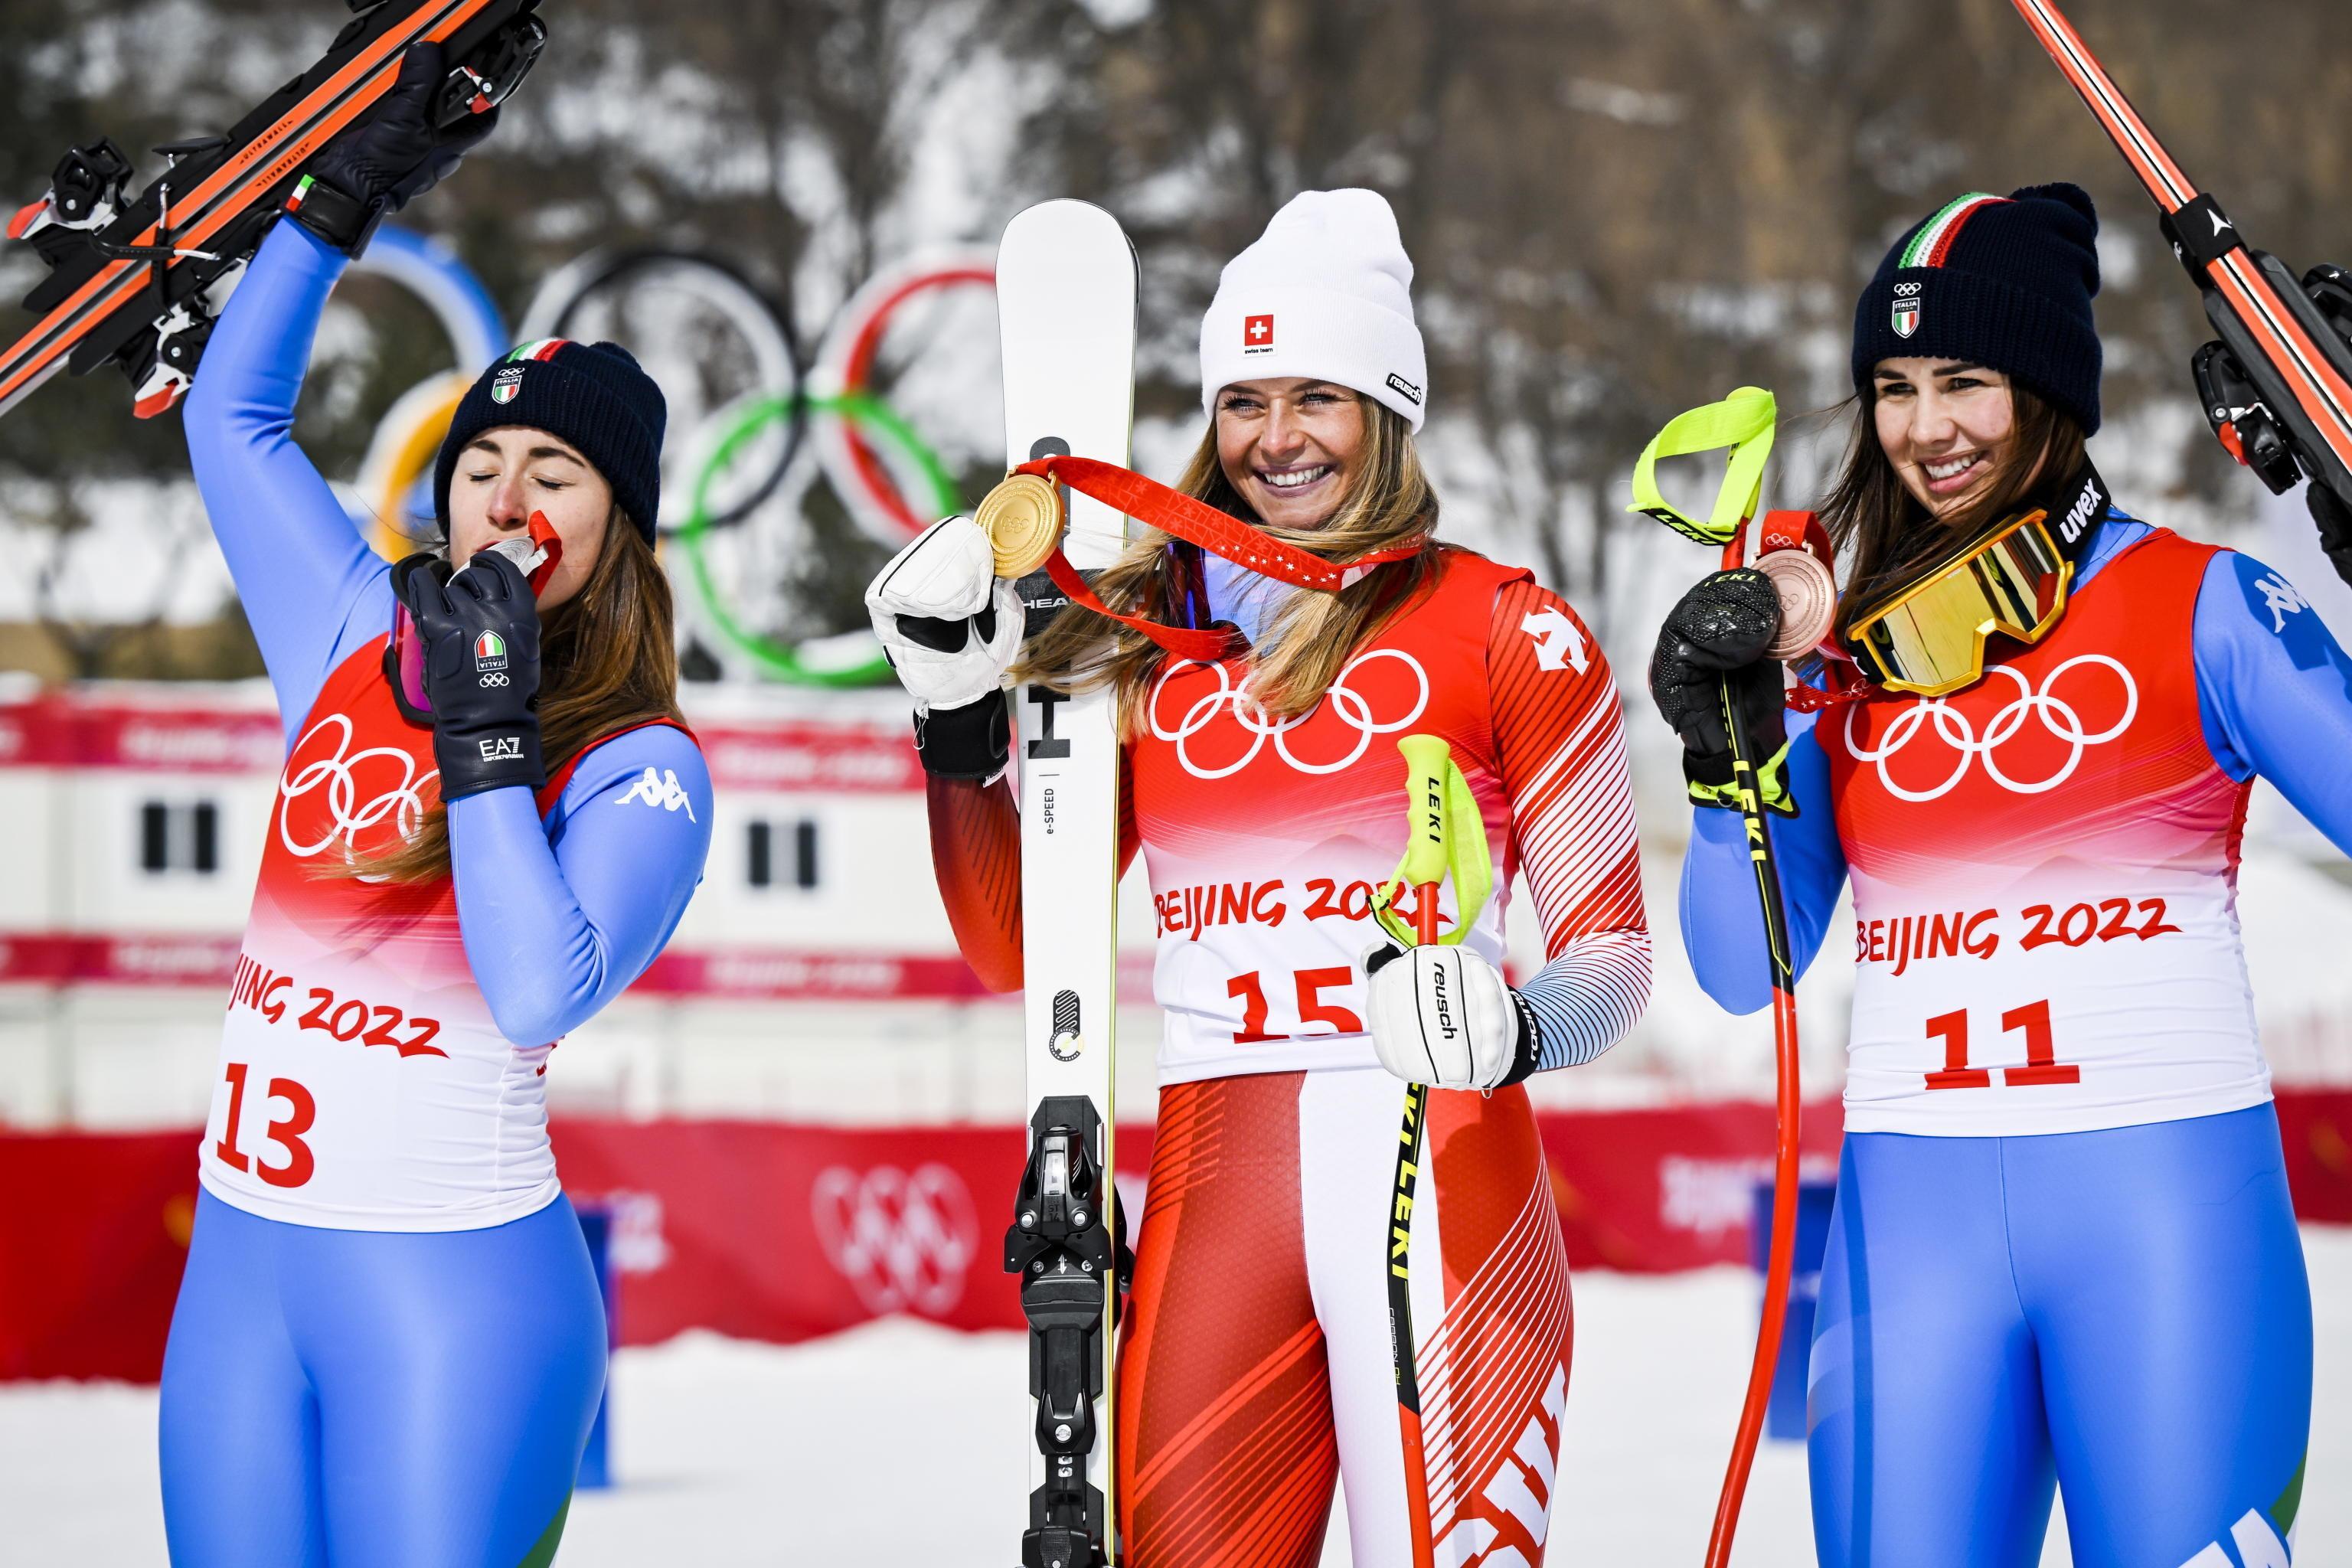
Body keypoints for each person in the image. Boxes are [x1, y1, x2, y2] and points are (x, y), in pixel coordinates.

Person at [870, 189, 1651, 1566]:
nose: (1275, 440)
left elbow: (1612, 963)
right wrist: (950, 728)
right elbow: (1013, 947)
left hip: (1437, 1163)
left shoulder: (1506, 626)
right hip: (1214, 1165)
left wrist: (1515, 1026)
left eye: (1319, 398)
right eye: (1243, 400)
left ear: (1389, 412)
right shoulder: (1138, 641)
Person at [1656, 184, 2350, 1568]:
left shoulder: (2200, 605)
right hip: (1909, 1243)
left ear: (2049, 389)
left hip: (2169, 1226)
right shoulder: (1836, 654)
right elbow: (1742, 968)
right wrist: (1731, 742)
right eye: (1896, 388)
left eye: (1966, 380)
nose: (1926, 428)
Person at [160, 45, 712, 1568]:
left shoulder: (638, 763)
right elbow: (232, 421)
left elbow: (539, 980)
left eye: (559, 475)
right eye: (484, 464)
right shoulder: (349, 634)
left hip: (455, 1304)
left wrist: (487, 731)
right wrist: (340, 204)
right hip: (240, 1275)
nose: (510, 500)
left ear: (619, 529)